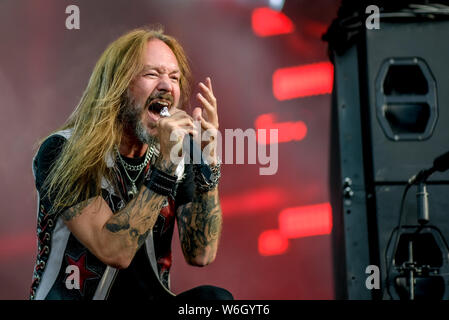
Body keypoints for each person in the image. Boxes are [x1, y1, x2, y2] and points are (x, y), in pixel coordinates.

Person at [30, 27, 232, 300]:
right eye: (151, 74)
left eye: (174, 77)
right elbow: (114, 251)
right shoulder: (63, 150)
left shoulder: (176, 157)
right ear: (118, 85)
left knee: (214, 301)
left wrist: (207, 162)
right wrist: (165, 168)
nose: (166, 85)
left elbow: (201, 253)